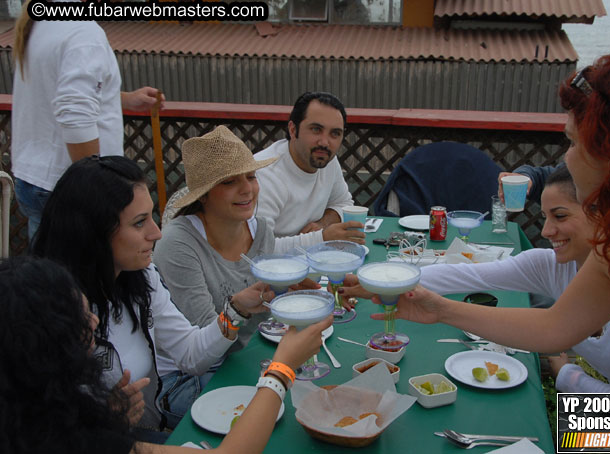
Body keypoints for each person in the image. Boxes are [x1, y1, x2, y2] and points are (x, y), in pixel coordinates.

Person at [365, 48, 610, 391]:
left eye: (572, 143)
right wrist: (440, 310)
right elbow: (555, 327)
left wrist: (569, 378)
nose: (566, 159)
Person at [31, 156, 270, 437]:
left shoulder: (141, 277)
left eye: (151, 217)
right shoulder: (45, 305)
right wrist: (99, 416)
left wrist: (236, 310)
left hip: (133, 431)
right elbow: (34, 423)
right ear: (94, 231)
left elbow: (191, 355)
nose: (156, 233)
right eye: (139, 223)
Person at [0, 255, 331, 454]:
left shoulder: (31, 409)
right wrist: (282, 369)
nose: (95, 321)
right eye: (81, 317)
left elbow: (191, 353)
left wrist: (105, 413)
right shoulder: (62, 438)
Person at [154, 126, 331, 363]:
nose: (247, 189)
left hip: (254, 356)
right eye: (229, 182)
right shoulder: (178, 244)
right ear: (203, 195)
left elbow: (269, 317)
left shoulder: (261, 229)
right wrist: (240, 307)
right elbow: (207, 341)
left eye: (251, 177)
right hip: (201, 374)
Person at [11, 3, 163, 239]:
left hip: (36, 178)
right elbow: (75, 116)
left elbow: (60, 94)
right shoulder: (83, 33)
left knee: (47, 272)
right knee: (78, 274)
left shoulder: (43, 22)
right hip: (71, 189)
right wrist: (95, 186)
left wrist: (124, 99)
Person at [254, 91, 365, 244]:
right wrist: (320, 237)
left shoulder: (328, 160)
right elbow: (257, 249)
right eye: (316, 129)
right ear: (293, 130)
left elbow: (343, 203)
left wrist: (323, 224)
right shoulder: (263, 174)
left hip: (313, 259)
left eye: (335, 133)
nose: (325, 142)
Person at [497, 163, 565, 204]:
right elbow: (540, 176)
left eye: (560, 216)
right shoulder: (566, 173)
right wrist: (524, 177)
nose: (567, 154)